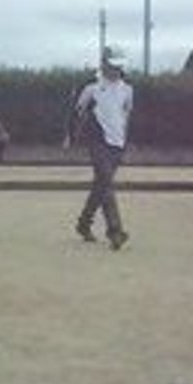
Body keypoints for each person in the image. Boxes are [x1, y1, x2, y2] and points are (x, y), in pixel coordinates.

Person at [63, 45, 134, 250]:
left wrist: (125, 144)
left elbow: (126, 118)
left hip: (117, 144)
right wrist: (69, 136)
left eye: (119, 67)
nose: (116, 70)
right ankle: (116, 231)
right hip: (97, 141)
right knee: (106, 184)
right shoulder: (91, 88)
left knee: (100, 186)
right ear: (104, 64)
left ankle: (83, 224)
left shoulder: (128, 90)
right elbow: (75, 113)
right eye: (112, 66)